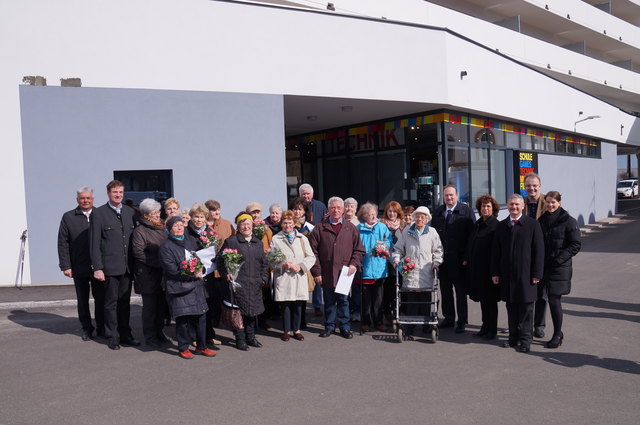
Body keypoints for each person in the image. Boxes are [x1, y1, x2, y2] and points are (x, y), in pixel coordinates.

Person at [89, 180, 140, 350]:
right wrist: (97, 267)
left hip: (127, 267)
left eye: (120, 192)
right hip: (109, 267)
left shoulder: (129, 212)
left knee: (124, 302)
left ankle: (126, 334)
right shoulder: (99, 213)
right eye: (114, 192)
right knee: (110, 303)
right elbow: (94, 242)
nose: (118, 195)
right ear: (108, 194)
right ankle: (112, 335)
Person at [491, 194, 544, 353]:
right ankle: (513, 338)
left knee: (527, 308)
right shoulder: (501, 226)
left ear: (523, 206)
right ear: (507, 206)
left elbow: (539, 251)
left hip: (527, 275)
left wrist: (537, 273)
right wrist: (495, 272)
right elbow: (496, 251)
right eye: (511, 204)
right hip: (507, 274)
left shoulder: (532, 224)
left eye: (516, 205)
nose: (513, 207)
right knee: (511, 306)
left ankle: (526, 340)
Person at [159, 216, 215, 359]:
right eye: (175, 225)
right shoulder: (166, 247)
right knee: (183, 319)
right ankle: (183, 348)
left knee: (201, 317)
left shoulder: (190, 242)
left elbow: (199, 259)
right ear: (169, 229)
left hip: (196, 286)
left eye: (181, 225)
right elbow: (171, 271)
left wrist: (202, 269)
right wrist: (192, 274)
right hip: (179, 288)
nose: (179, 227)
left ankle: (201, 347)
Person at [309, 196, 365, 339]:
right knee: (328, 301)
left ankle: (344, 327)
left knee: (343, 301)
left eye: (339, 208)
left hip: (344, 272)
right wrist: (317, 272)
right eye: (333, 207)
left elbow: (359, 250)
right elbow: (312, 252)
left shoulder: (350, 227)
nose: (336, 210)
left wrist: (353, 264)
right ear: (328, 209)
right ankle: (329, 326)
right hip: (326, 271)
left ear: (343, 210)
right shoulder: (320, 228)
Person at [57, 186, 105, 341]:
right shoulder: (68, 217)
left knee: (101, 299)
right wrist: (66, 265)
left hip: (99, 266)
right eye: (82, 198)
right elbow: (62, 242)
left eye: (88, 198)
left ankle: (102, 327)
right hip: (79, 266)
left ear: (93, 199)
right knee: (82, 300)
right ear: (77, 200)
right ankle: (86, 328)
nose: (86, 201)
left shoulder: (100, 214)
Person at [217, 213, 268, 351]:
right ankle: (240, 339)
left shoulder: (258, 243)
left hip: (255, 283)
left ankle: (251, 337)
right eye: (243, 224)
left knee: (252, 311)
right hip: (238, 284)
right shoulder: (232, 241)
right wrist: (226, 274)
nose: (246, 227)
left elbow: (264, 263)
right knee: (238, 313)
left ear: (252, 226)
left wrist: (263, 279)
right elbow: (220, 260)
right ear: (238, 226)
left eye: (248, 224)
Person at [538, 191, 581, 348]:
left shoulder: (569, 221)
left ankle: (557, 334)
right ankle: (539, 328)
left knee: (554, 299)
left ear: (559, 203)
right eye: (547, 202)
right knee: (541, 298)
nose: (550, 205)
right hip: (544, 266)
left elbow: (575, 245)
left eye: (553, 203)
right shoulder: (542, 220)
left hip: (560, 267)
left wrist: (559, 259)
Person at [392, 206, 443, 338]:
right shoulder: (407, 231)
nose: (419, 219)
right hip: (411, 272)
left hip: (426, 271)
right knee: (412, 302)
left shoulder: (432, 232)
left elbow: (438, 251)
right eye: (417, 216)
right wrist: (397, 260)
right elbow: (398, 249)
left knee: (426, 300)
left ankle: (426, 326)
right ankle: (410, 327)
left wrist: (436, 263)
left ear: (426, 219)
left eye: (422, 217)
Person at [431, 185, 475, 333]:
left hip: (459, 259)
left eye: (451, 195)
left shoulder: (466, 211)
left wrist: (467, 257)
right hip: (443, 259)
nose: (449, 198)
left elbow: (472, 236)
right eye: (446, 196)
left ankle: (462, 321)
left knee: (460, 292)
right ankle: (449, 318)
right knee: (446, 291)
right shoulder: (438, 212)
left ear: (457, 195)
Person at [271, 210, 317, 341]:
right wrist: (282, 265)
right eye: (285, 223)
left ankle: (297, 330)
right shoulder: (276, 238)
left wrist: (300, 266)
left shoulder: (302, 238)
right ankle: (286, 331)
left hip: (298, 275)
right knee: (285, 304)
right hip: (284, 276)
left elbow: (311, 257)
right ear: (281, 224)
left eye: (290, 223)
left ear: (295, 224)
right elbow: (271, 259)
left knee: (297, 304)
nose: (287, 225)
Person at [131, 198, 169, 347]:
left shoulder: (161, 228)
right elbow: (139, 253)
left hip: (161, 274)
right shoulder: (140, 231)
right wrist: (159, 263)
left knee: (161, 306)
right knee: (150, 308)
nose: (158, 215)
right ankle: (150, 335)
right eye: (154, 213)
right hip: (147, 275)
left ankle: (159, 332)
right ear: (146, 215)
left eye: (158, 212)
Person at [464, 194, 500, 340]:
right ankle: (485, 327)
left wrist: (495, 271)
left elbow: (497, 251)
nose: (485, 209)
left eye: (488, 206)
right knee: (483, 300)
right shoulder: (478, 224)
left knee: (490, 301)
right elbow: (470, 243)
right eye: (483, 206)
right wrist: (466, 258)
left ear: (493, 209)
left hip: (489, 270)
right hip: (477, 269)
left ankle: (492, 330)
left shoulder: (495, 226)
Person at [186, 202, 222, 345]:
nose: (198, 220)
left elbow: (216, 251)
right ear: (191, 217)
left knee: (208, 305)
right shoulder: (186, 233)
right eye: (196, 217)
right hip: (193, 275)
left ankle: (209, 334)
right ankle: (194, 336)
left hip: (208, 275)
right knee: (194, 306)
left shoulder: (210, 233)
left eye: (201, 217)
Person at [356, 203, 392, 332]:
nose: (372, 216)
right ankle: (366, 321)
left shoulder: (382, 227)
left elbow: (389, 241)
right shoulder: (358, 229)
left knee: (378, 298)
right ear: (364, 216)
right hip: (364, 267)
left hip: (379, 267)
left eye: (374, 213)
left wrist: (384, 247)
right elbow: (355, 246)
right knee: (365, 298)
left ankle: (378, 321)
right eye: (369, 214)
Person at [203, 199, 235, 339]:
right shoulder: (203, 225)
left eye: (218, 209)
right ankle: (211, 322)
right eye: (213, 210)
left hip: (223, 267)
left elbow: (233, 241)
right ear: (207, 212)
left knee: (223, 295)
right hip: (208, 268)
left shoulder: (227, 224)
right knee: (210, 297)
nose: (217, 212)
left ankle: (223, 320)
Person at [523, 172, 548, 339]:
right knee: (526, 292)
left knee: (541, 293)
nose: (531, 188)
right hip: (525, 255)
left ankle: (539, 325)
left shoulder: (548, 203)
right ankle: (525, 325)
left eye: (534, 185)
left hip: (543, 253)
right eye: (528, 186)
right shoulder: (521, 203)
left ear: (540, 186)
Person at [246, 202, 275, 330]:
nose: (256, 214)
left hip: (264, 265)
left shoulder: (265, 227)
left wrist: (268, 250)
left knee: (264, 294)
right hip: (250, 266)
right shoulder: (245, 226)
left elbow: (272, 243)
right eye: (253, 212)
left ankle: (263, 320)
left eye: (258, 212)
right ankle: (251, 321)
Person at [290, 196, 319, 320]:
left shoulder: (309, 227)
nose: (297, 212)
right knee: (291, 293)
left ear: (305, 212)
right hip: (291, 263)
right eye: (295, 209)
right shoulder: (288, 225)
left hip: (304, 263)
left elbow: (314, 245)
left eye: (300, 209)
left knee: (303, 292)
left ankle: (301, 320)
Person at [380, 201, 405, 325]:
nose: (392, 214)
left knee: (400, 288)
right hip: (385, 262)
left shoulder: (404, 225)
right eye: (389, 211)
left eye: (394, 211)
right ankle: (387, 313)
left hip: (400, 262)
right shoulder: (381, 224)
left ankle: (400, 312)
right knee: (387, 290)